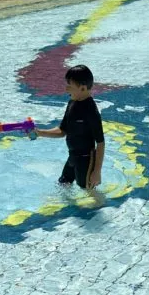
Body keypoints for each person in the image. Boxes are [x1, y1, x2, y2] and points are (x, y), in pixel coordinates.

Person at [35, 64, 106, 205]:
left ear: (83, 88)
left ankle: (104, 213)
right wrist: (40, 132)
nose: (66, 89)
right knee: (63, 184)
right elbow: (62, 131)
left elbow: (101, 143)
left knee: (90, 192)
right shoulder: (72, 103)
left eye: (70, 86)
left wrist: (96, 171)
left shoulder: (91, 111)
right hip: (73, 157)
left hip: (86, 160)